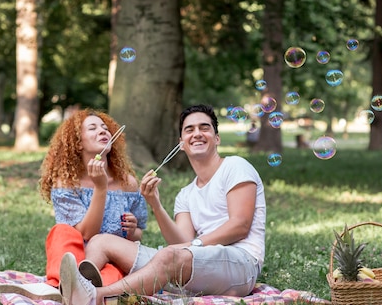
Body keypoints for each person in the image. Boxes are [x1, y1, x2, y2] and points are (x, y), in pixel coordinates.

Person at [59, 104, 266, 305]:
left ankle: (96, 297)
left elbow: (240, 225)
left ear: (217, 138)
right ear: (181, 143)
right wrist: (155, 205)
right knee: (101, 241)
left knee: (168, 255)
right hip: (199, 268)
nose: (197, 133)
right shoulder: (186, 194)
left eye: (205, 128)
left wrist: (194, 245)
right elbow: (182, 241)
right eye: (189, 129)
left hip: (241, 265)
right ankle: (76, 287)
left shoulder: (235, 166)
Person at [0, 109, 148, 301]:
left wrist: (132, 231)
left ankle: (68, 291)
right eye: (93, 128)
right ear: (78, 143)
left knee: (112, 275)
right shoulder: (66, 183)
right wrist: (101, 189)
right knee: (61, 232)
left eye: (105, 128)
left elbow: (139, 233)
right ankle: (62, 285)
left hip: (109, 260)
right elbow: (86, 234)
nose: (102, 131)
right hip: (75, 258)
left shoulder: (128, 183)